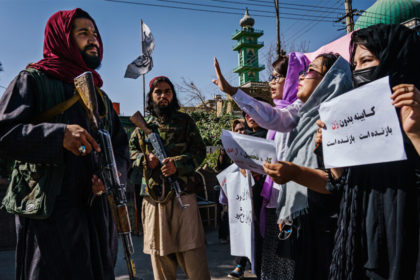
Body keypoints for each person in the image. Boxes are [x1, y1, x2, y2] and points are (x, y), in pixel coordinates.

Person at [0, 8, 129, 280]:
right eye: (83, 33)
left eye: (95, 34)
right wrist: (58, 136)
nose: (94, 39)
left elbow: (120, 146)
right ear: (62, 37)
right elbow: (4, 134)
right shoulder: (32, 80)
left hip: (95, 217)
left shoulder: (100, 95)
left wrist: (112, 174)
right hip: (49, 218)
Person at [315, 24, 420, 280]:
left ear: (397, 59)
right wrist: (331, 148)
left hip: (408, 249)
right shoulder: (357, 120)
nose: (359, 71)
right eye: (355, 65)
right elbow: (340, 184)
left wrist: (415, 132)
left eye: (367, 60)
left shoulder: (416, 113)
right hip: (362, 248)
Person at [129, 76, 210, 280]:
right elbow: (129, 153)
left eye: (167, 91)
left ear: (173, 96)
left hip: (183, 195)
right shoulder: (142, 127)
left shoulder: (185, 122)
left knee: (193, 255)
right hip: (154, 199)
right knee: (160, 257)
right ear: (151, 96)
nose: (163, 96)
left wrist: (177, 165)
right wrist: (145, 159)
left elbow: (200, 153)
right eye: (158, 92)